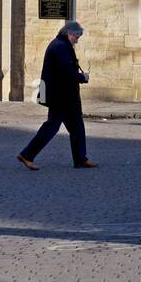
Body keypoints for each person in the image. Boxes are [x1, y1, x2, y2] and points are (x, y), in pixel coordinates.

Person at [17, 21, 98, 170]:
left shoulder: (61, 45)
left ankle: (80, 159)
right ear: (69, 33)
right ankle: (27, 155)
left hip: (65, 96)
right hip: (61, 96)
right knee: (52, 126)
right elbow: (66, 72)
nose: (77, 40)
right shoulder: (60, 47)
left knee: (76, 127)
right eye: (77, 37)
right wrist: (82, 78)